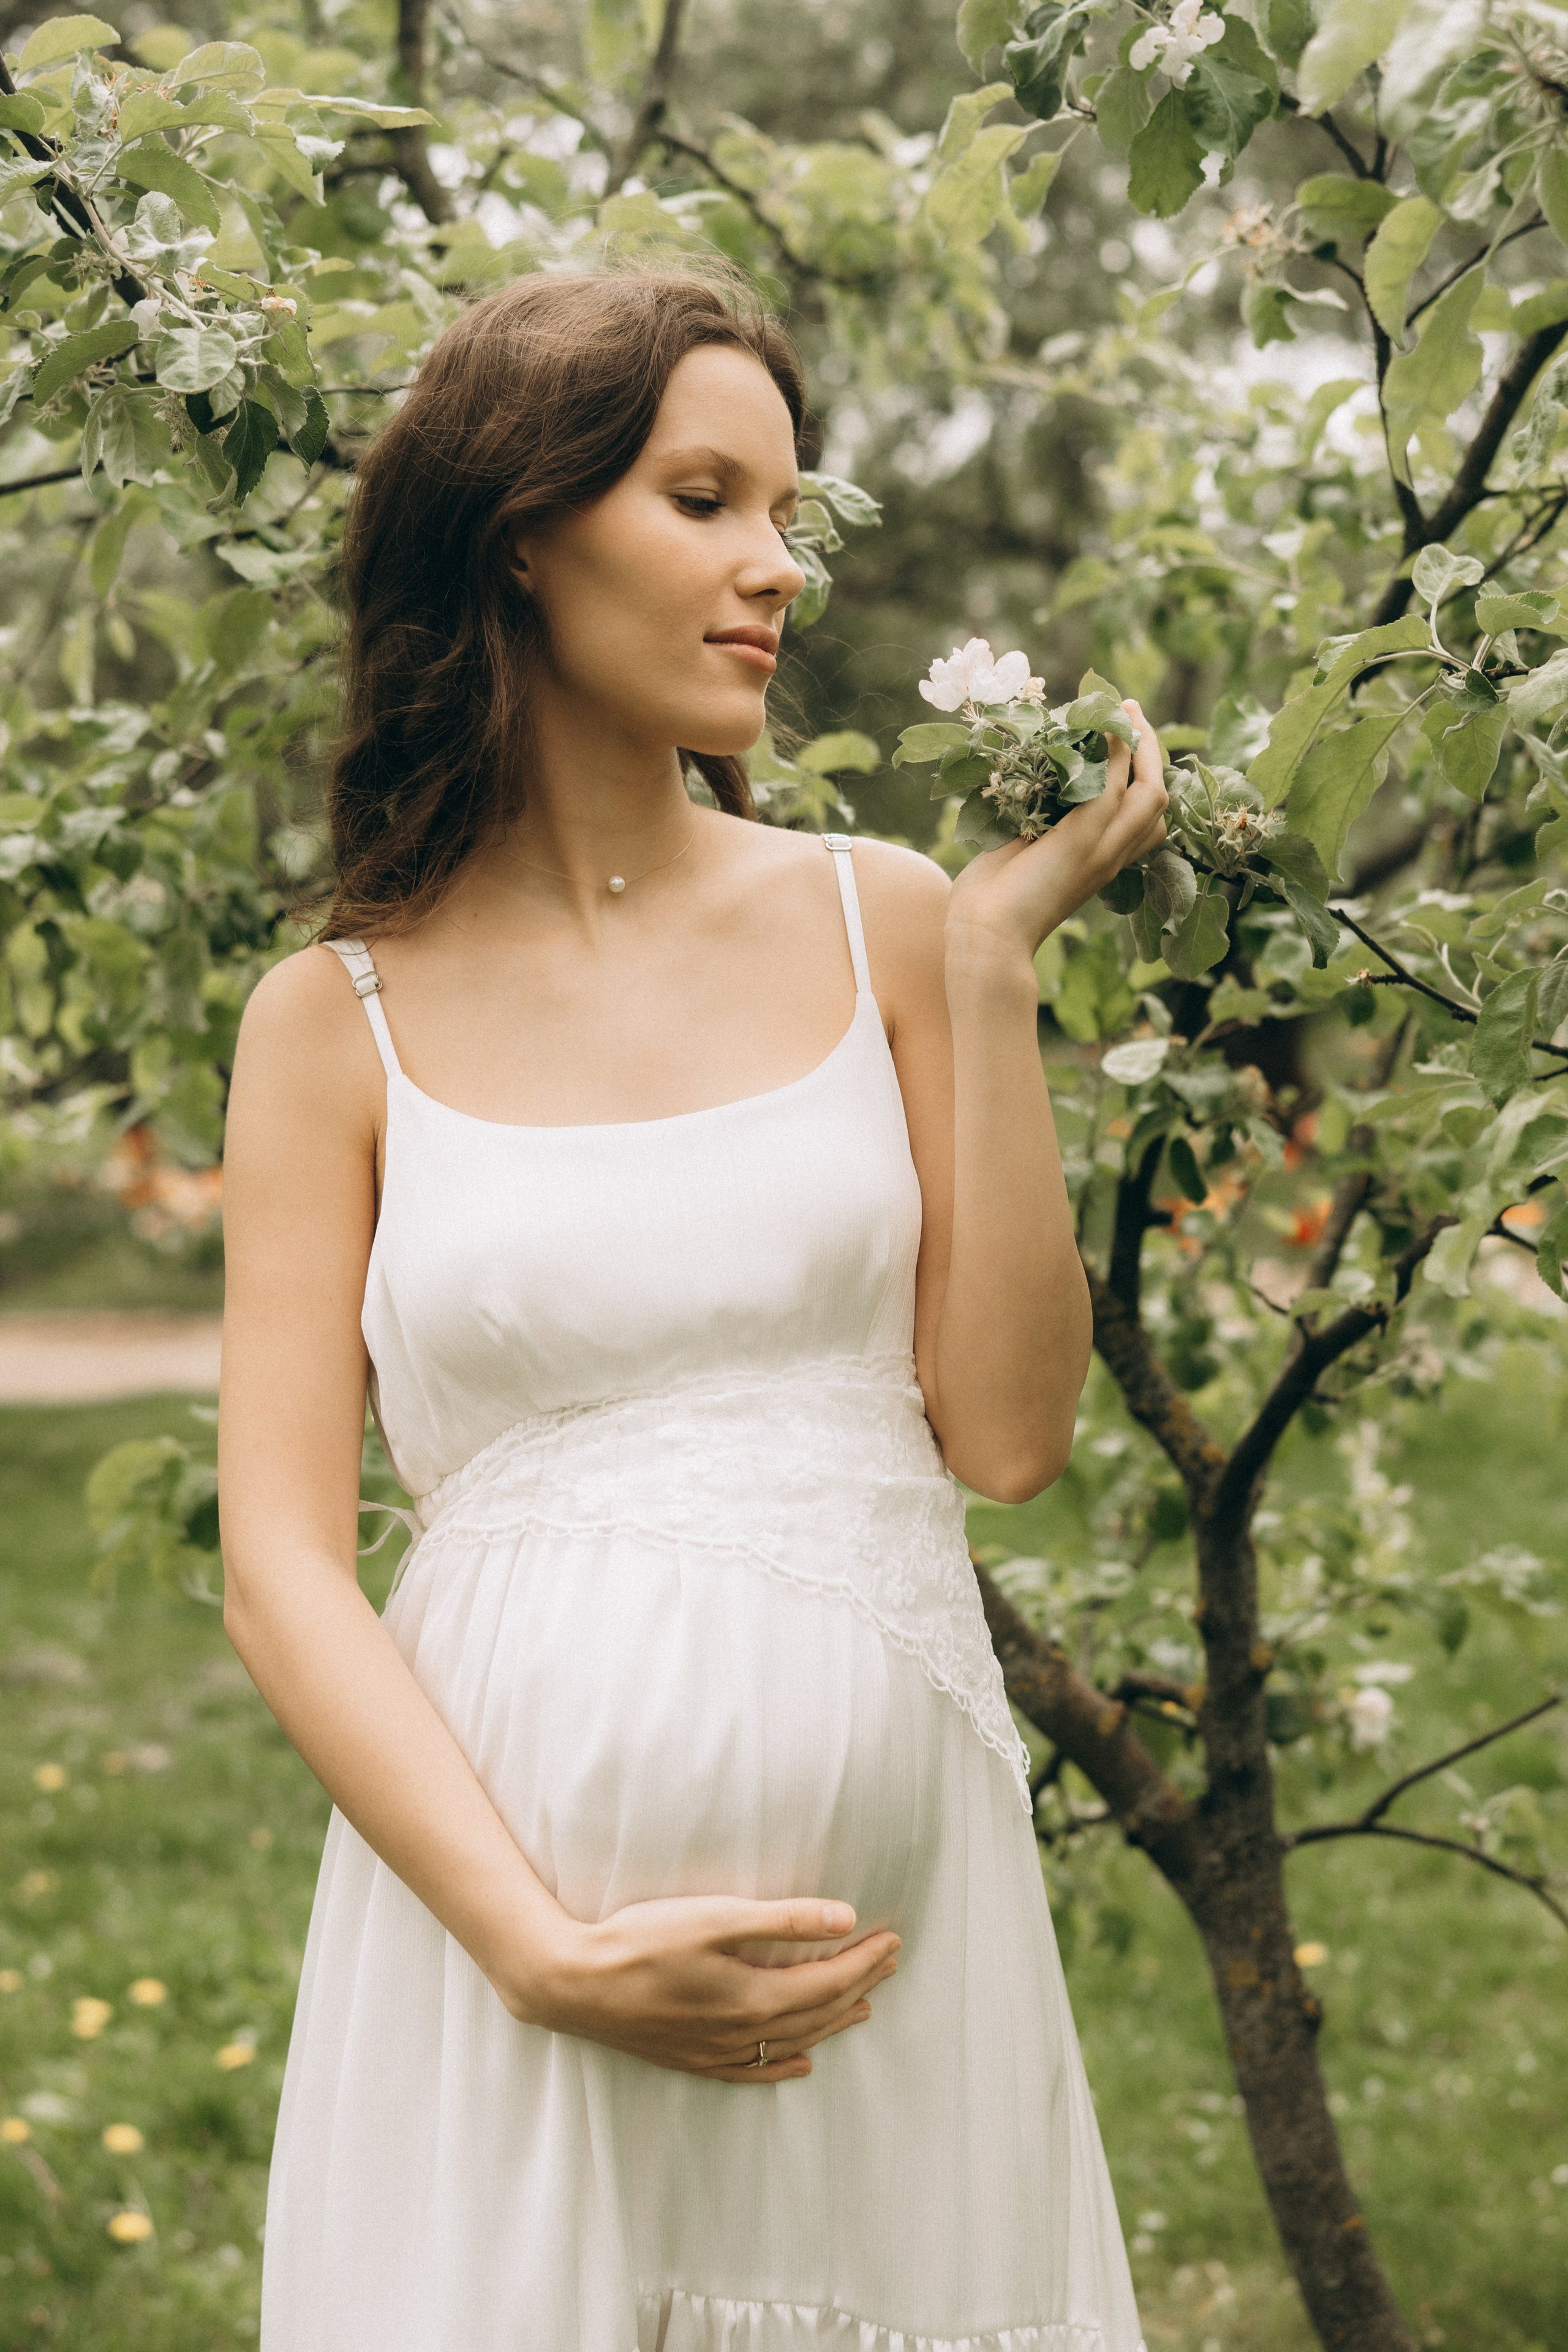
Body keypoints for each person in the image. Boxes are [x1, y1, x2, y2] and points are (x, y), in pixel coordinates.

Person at [218, 263, 1164, 2351]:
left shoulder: (889, 921)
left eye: (787, 516)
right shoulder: (331, 1019)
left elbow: (1010, 1436)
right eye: (708, 500)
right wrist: (536, 1948)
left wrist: (993, 969)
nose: (777, 570)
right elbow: (280, 1567)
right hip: (507, 1979)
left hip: (890, 1990)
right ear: (523, 535)